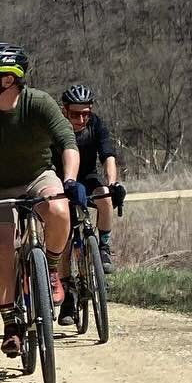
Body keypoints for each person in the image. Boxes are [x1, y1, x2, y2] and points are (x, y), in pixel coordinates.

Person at [0, 44, 82, 353]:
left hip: (37, 177)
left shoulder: (39, 102)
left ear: (8, 79)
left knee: (59, 209)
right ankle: (10, 324)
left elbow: (67, 141)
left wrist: (69, 180)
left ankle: (53, 269)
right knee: (2, 246)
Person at [57, 84, 126, 279]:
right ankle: (66, 285)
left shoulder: (95, 124)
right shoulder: (55, 125)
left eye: (85, 114)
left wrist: (112, 184)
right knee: (65, 237)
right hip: (61, 180)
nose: (81, 119)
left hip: (87, 177)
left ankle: (103, 247)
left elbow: (108, 156)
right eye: (75, 115)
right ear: (64, 110)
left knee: (105, 196)